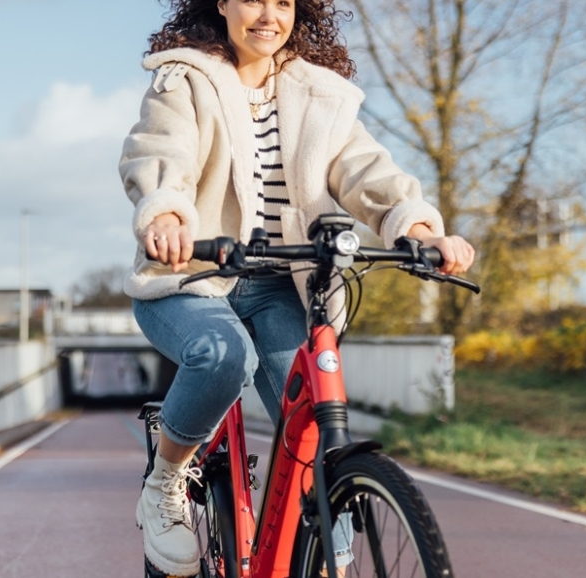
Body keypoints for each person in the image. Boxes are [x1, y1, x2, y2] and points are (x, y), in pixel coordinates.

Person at [119, 0, 476, 576]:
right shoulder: (184, 79)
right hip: (192, 276)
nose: (269, 15)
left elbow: (365, 169)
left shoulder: (319, 94)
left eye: (283, 2)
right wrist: (166, 215)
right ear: (222, 4)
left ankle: (320, 550)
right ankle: (166, 480)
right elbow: (163, 152)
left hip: (281, 286)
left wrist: (418, 229)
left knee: (312, 408)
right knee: (223, 357)